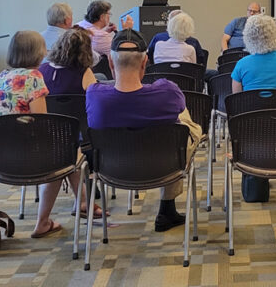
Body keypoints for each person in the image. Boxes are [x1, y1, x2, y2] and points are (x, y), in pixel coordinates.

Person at [86, 30, 201, 232]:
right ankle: (167, 207)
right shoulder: (168, 91)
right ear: (145, 62)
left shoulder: (95, 95)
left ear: (111, 63)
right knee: (183, 124)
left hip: (113, 169)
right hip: (163, 166)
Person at [0, 30, 97, 238]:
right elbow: (43, 124)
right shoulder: (34, 79)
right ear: (38, 52)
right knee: (67, 153)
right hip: (26, 158)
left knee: (67, 152)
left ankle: (82, 203)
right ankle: (45, 221)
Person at [231, 14, 276, 92]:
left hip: (252, 104)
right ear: (275, 33)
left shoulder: (241, 65)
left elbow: (236, 101)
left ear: (248, 36)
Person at [39, 28, 97, 94]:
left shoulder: (41, 70)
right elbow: (94, 98)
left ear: (58, 46)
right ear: (86, 51)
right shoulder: (84, 73)